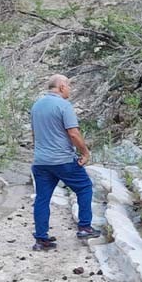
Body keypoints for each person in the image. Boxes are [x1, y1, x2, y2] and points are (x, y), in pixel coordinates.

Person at [30, 74, 101, 251]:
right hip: (62, 160)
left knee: (42, 199)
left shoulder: (36, 105)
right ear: (61, 86)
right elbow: (73, 133)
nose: (70, 89)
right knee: (84, 188)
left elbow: (35, 134)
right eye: (69, 86)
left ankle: (41, 239)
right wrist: (85, 152)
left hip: (40, 161)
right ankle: (85, 227)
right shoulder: (63, 105)